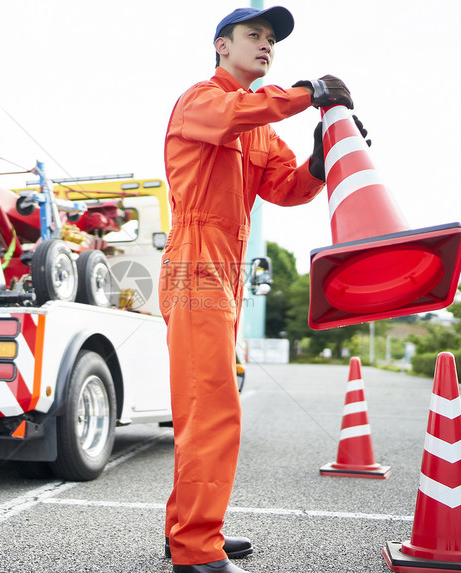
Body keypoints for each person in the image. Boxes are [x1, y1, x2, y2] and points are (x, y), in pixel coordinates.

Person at [159, 6, 364, 573]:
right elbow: (234, 116)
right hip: (194, 262)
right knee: (213, 410)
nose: (266, 45)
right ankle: (197, 551)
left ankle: (189, 530)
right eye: (254, 35)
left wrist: (323, 157)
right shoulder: (202, 100)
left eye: (271, 39)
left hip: (224, 270)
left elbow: (287, 187)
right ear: (222, 46)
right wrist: (307, 94)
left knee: (205, 406)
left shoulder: (260, 127)